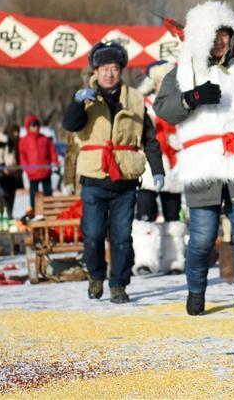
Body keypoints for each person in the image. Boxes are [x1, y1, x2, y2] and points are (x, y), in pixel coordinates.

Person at [153, 1, 234, 319]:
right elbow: (162, 108)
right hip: (204, 162)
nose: (220, 41)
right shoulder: (184, 71)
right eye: (213, 35)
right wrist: (190, 98)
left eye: (225, 34)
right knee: (203, 236)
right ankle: (196, 291)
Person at [63, 41, 165, 303]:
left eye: (114, 68)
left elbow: (149, 138)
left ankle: (119, 284)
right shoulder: (85, 97)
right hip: (94, 178)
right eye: (103, 68)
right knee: (94, 235)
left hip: (125, 180)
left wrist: (157, 169)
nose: (109, 73)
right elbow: (71, 125)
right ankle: (96, 276)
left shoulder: (134, 99)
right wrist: (76, 102)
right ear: (95, 71)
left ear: (121, 70)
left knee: (121, 238)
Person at [133, 61, 186, 276]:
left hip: (173, 165)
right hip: (149, 165)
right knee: (145, 214)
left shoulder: (180, 103)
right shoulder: (144, 104)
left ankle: (174, 259)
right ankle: (145, 260)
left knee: (173, 215)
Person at [18, 115, 59, 209]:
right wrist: (26, 168)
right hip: (33, 172)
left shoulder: (45, 138)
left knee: (48, 192)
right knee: (34, 193)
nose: (35, 127)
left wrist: (55, 162)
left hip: (45, 170)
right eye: (33, 125)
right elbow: (22, 155)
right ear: (28, 126)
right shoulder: (23, 141)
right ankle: (34, 210)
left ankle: (49, 210)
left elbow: (52, 151)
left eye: (36, 124)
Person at [0, 123, 22, 217]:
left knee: (12, 196)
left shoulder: (15, 142)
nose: (16, 134)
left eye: (17, 131)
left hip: (12, 174)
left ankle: (10, 214)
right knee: (5, 197)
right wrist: (3, 168)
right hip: (3, 174)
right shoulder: (3, 141)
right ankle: (5, 215)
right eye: (14, 131)